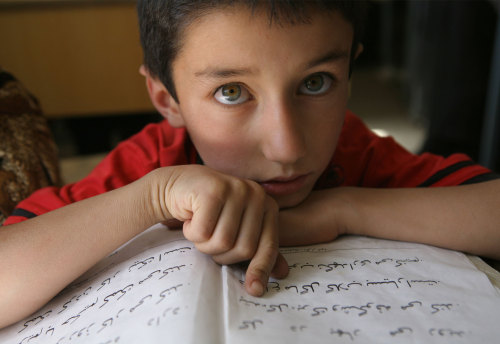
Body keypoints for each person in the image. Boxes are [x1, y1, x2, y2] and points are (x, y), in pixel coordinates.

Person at [1, 0, 499, 329]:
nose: (286, 147)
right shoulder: (152, 166)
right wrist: (150, 197)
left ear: (350, 72)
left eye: (316, 82)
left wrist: (343, 209)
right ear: (166, 97)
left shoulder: (354, 154)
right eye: (231, 92)